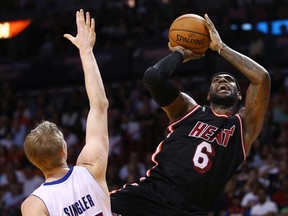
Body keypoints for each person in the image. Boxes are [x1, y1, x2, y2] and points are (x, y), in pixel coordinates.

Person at [110, 13, 271, 215]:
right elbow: (154, 78)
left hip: (192, 210)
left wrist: (221, 48)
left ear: (240, 94)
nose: (223, 81)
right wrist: (182, 53)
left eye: (229, 81)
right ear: (207, 94)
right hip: (150, 196)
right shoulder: (188, 110)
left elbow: (262, 78)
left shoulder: (243, 126)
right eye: (217, 80)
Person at [21, 9, 111, 216]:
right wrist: (86, 52)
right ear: (64, 149)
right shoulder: (91, 167)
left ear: (34, 162)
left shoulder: (34, 205)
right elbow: (100, 106)